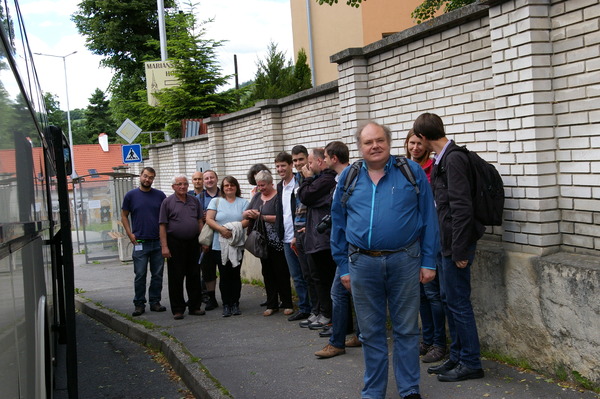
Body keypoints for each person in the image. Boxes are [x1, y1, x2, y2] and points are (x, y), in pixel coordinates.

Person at [330, 121, 440, 399]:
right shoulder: (349, 177)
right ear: (360, 147)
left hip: (405, 260)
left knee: (405, 329)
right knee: (370, 332)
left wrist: (428, 261)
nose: (375, 146)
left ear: (389, 143)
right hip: (361, 264)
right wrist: (343, 266)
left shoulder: (410, 171)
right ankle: (374, 391)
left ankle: (409, 389)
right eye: (368, 142)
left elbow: (428, 218)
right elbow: (338, 225)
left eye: (379, 140)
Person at [413, 112, 486, 382]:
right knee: (448, 301)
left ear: (422, 136)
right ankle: (456, 357)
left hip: (455, 248)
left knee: (458, 304)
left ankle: (471, 362)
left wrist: (459, 251)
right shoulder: (442, 159)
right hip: (445, 246)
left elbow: (462, 209)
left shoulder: (453, 159)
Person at [313, 141, 361, 358]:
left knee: (338, 292)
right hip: (348, 245)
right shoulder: (345, 177)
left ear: (334, 158)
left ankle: (337, 342)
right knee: (354, 293)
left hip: (352, 246)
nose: (322, 160)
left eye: (324, 156)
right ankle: (360, 335)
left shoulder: (350, 177)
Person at [405, 130, 447, 364]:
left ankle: (439, 344)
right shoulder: (404, 169)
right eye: (412, 143)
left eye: (419, 143)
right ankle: (427, 339)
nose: (415, 147)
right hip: (410, 242)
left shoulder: (432, 169)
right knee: (420, 295)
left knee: (432, 294)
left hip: (429, 239)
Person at [297, 148, 337, 333]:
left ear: (320, 162)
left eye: (310, 163)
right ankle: (321, 312)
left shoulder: (326, 179)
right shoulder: (320, 179)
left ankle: (329, 316)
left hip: (324, 239)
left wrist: (307, 179)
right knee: (315, 278)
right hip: (314, 236)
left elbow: (305, 197)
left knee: (325, 279)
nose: (307, 166)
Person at [243, 170, 294, 317]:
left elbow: (282, 217)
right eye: (258, 185)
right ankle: (271, 304)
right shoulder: (257, 196)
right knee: (267, 272)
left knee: (281, 272)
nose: (261, 188)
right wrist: (249, 214)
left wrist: (262, 216)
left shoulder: (278, 196)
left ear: (271, 183)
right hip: (262, 241)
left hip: (277, 240)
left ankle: (287, 303)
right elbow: (245, 213)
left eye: (263, 185)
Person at [121, 167, 167, 316]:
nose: (147, 179)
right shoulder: (131, 196)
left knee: (157, 274)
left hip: (157, 242)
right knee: (140, 274)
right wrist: (129, 233)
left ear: (153, 179)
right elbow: (124, 216)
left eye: (151, 177)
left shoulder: (160, 196)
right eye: (145, 176)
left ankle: (155, 302)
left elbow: (166, 217)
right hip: (140, 242)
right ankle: (139, 304)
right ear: (140, 176)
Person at [159, 174, 205, 320]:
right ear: (173, 187)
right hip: (175, 243)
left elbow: (199, 221)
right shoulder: (167, 202)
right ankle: (178, 309)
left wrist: (203, 240)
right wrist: (164, 247)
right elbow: (162, 226)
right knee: (176, 277)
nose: (183, 186)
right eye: (179, 184)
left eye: (185, 184)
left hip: (193, 242)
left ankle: (195, 306)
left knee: (194, 275)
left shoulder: (194, 201)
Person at [274, 151, 311, 319]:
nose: (280, 169)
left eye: (283, 165)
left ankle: (314, 309)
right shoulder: (280, 186)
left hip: (300, 235)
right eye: (277, 166)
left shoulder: (299, 181)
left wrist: (297, 233)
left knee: (308, 274)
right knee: (296, 276)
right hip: (286, 236)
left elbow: (302, 209)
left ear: (290, 166)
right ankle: (304, 308)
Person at [205, 176, 249, 317]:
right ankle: (226, 305)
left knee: (235, 275)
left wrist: (232, 229)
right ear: (222, 188)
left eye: (232, 185)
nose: (229, 187)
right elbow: (209, 219)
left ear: (236, 187)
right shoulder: (216, 201)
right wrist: (222, 230)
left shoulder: (243, 202)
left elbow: (247, 220)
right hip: (219, 245)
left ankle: (235, 303)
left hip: (237, 244)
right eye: (226, 186)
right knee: (224, 275)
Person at [198, 170, 221, 311]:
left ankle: (229, 299)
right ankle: (211, 299)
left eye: (212, 177)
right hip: (207, 239)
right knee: (208, 271)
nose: (209, 180)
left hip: (223, 237)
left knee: (226, 270)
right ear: (203, 181)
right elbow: (195, 218)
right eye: (206, 178)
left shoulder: (225, 193)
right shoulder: (199, 198)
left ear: (217, 179)